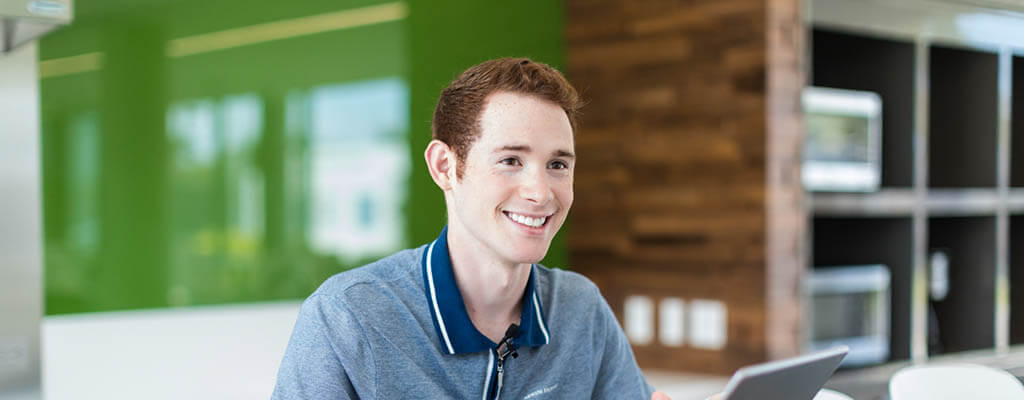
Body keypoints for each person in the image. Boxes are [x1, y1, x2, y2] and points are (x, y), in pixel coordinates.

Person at [272, 57, 673, 400]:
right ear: (445, 167)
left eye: (557, 165)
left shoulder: (581, 309)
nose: (540, 192)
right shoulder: (346, 316)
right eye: (511, 160)